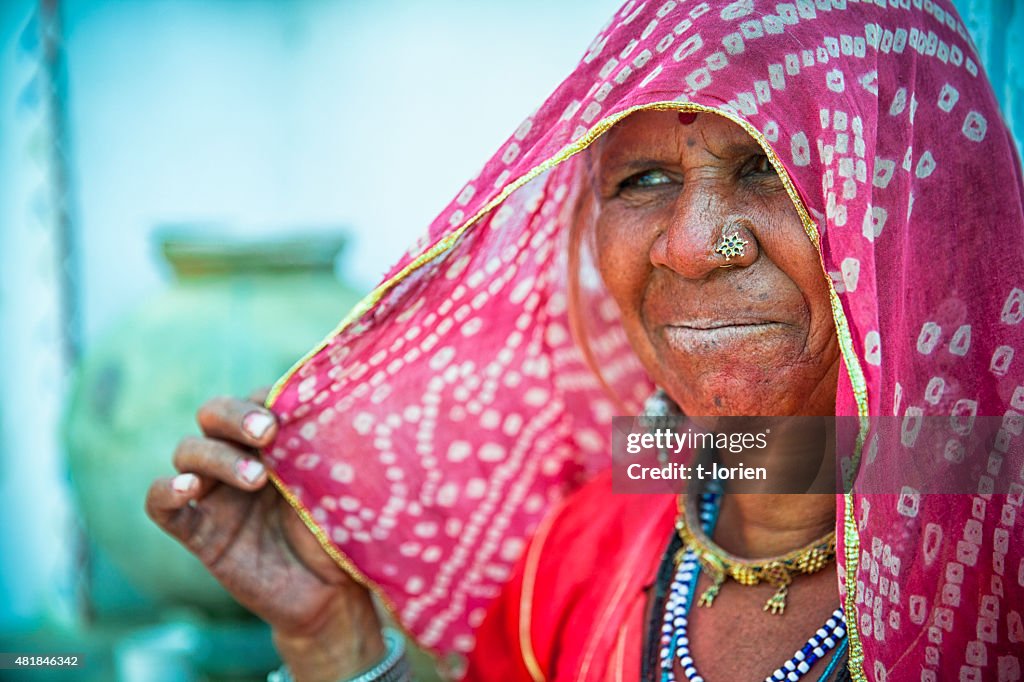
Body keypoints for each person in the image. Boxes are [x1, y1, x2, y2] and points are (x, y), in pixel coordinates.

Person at [146, 1, 1024, 681]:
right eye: (644, 180)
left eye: (771, 165)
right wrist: (328, 634)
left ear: (929, 209)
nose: (691, 244)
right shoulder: (589, 545)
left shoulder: (1001, 570)